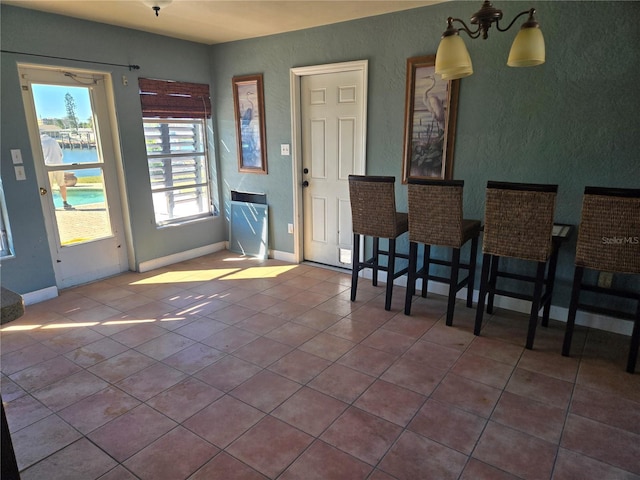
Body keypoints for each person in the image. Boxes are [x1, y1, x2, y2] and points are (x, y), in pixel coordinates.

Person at [40, 133, 73, 210]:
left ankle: (48, 204)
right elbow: (61, 154)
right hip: (58, 164)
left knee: (46, 186)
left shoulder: (40, 143)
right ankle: (65, 202)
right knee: (62, 184)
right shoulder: (54, 141)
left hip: (47, 165)